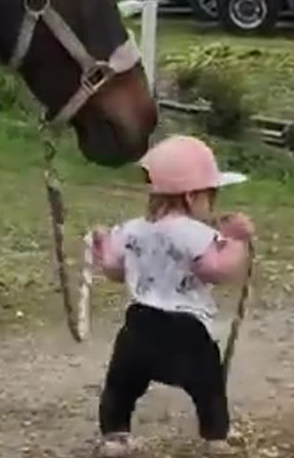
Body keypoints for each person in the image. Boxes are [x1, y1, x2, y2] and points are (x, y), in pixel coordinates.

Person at [88, 134, 256, 458]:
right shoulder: (197, 234)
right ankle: (216, 437)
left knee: (120, 385)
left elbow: (112, 269)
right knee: (208, 386)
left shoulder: (132, 229)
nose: (213, 206)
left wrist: (101, 247)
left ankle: (115, 436)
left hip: (138, 326)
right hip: (186, 330)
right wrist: (236, 240)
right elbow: (215, 270)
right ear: (192, 196)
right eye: (211, 196)